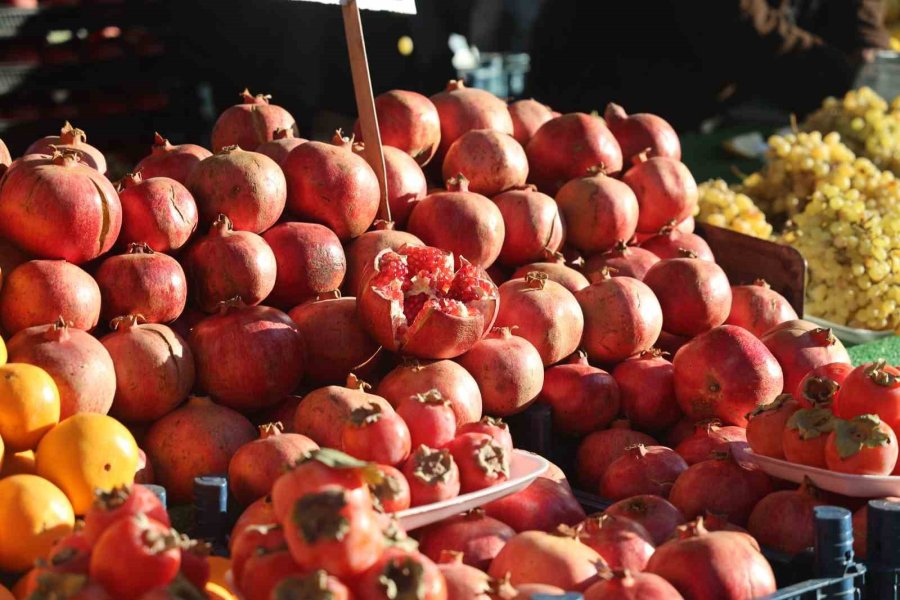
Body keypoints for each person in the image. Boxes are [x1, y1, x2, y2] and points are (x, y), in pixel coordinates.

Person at [527, 0, 890, 129]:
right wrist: (847, 77)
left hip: (700, 98)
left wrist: (870, 49)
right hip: (605, 80)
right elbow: (734, 26)